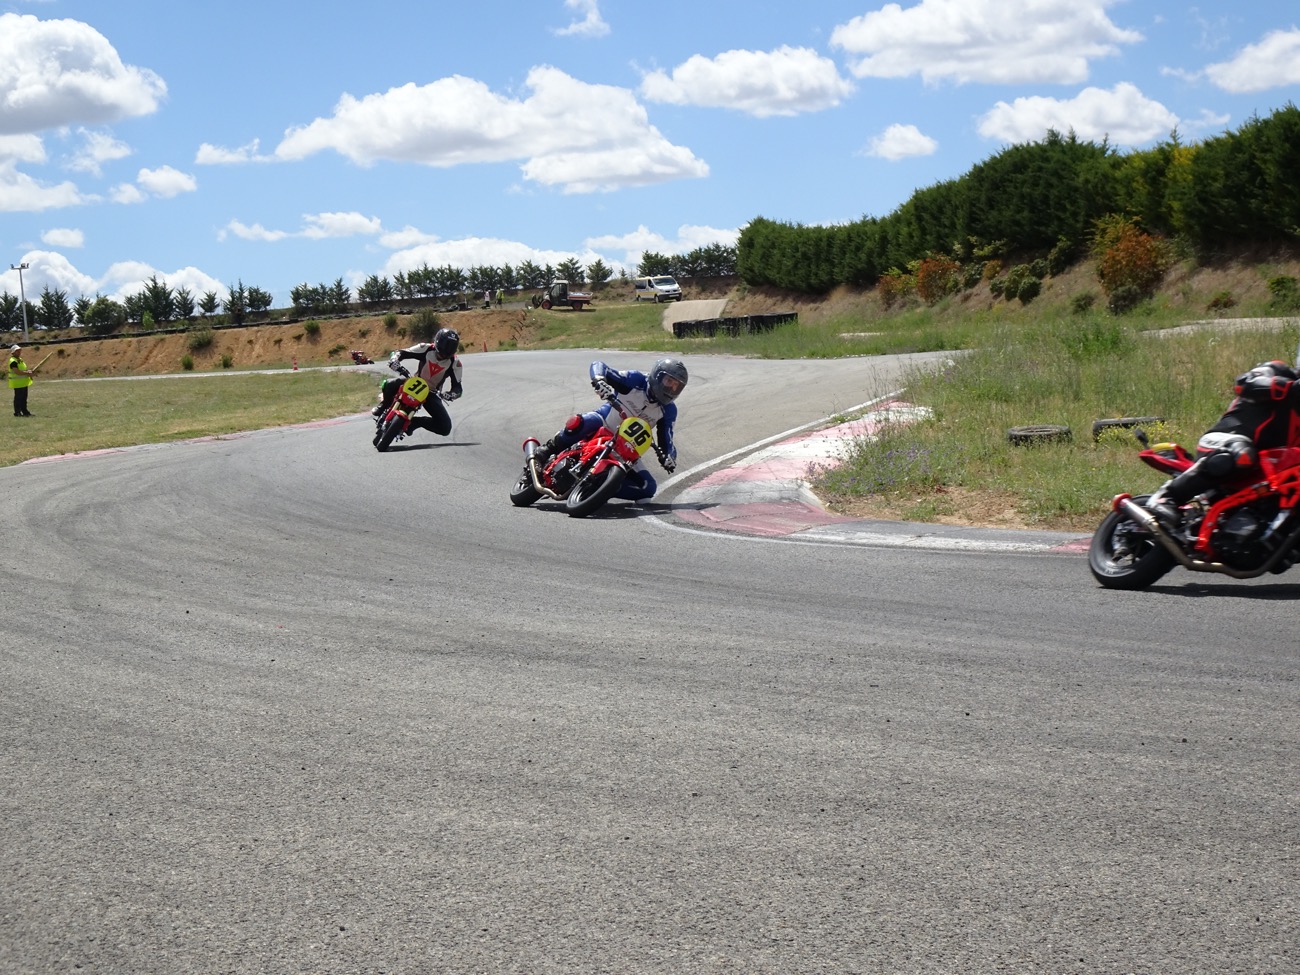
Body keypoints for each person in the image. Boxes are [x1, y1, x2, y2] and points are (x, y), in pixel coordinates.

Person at [1147, 357, 1300, 527]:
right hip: (1225, 440)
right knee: (1243, 455)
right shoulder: (1278, 371)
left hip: (1263, 469)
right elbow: (1244, 383)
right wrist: (1287, 387)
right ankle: (1168, 497)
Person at [533, 357, 687, 502]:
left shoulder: (669, 410)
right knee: (580, 422)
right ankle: (547, 449)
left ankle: (599, 487)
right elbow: (600, 366)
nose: (671, 389)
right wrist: (599, 380)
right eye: (669, 381)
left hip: (626, 448)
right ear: (657, 376)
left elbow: (667, 439)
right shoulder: (636, 380)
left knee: (648, 488)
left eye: (676, 386)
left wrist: (669, 457)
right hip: (605, 423)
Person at [371, 327, 463, 438]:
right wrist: (394, 360)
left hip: (431, 392)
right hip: (414, 382)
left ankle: (414, 423)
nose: (446, 351)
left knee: (445, 428)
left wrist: (451, 394)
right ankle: (383, 406)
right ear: (438, 341)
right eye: (445, 345)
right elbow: (401, 352)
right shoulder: (426, 348)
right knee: (389, 384)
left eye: (451, 347)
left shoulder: (455, 363)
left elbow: (458, 388)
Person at [7, 344, 34, 417]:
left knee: (24, 399)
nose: (19, 352)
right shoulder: (13, 361)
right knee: (18, 398)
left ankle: (25, 411)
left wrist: (29, 372)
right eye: (17, 351)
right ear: (13, 352)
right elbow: (17, 372)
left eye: (19, 350)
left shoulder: (20, 360)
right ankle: (17, 412)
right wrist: (27, 373)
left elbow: (23, 369)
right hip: (17, 383)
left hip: (23, 382)